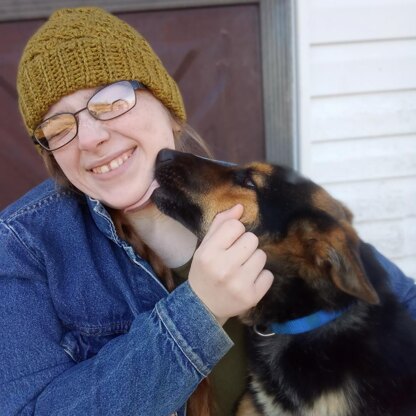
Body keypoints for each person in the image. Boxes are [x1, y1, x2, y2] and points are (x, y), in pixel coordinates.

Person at [0, 6, 415, 416]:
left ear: (165, 103)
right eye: (58, 129)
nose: (89, 137)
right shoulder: (25, 246)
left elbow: (398, 301)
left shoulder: (258, 199)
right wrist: (199, 311)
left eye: (109, 102)